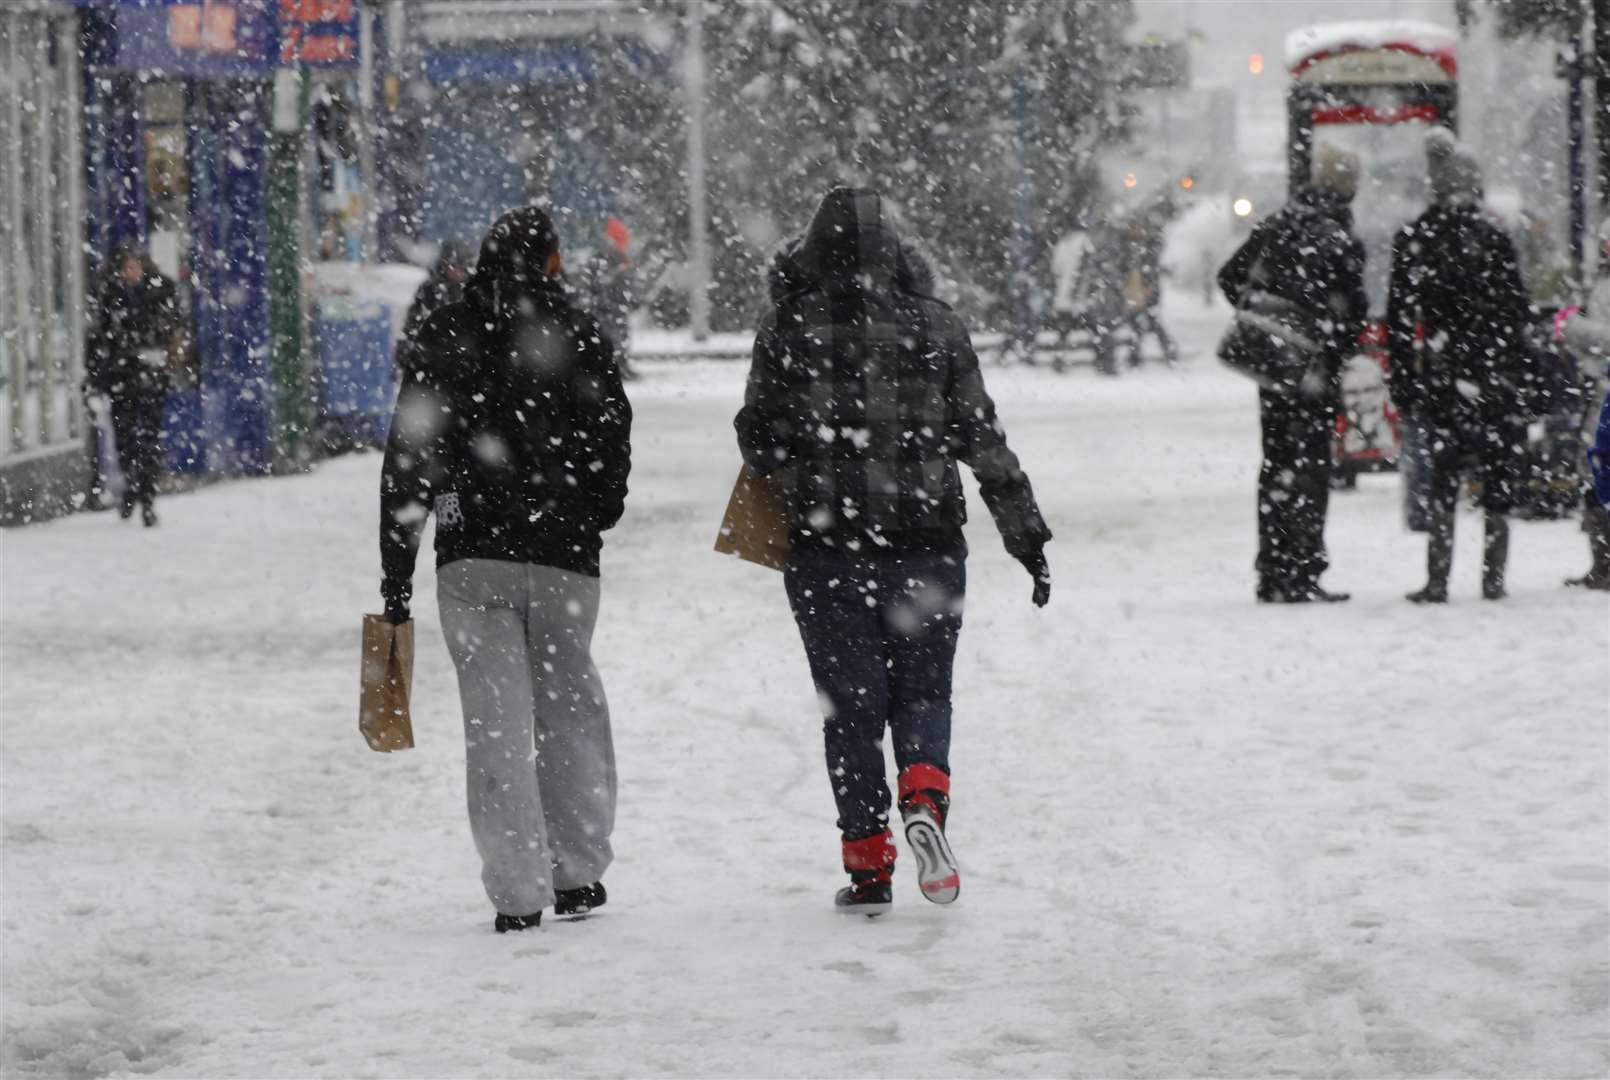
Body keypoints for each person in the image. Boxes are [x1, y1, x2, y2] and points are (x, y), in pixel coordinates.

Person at [736, 187, 1053, 916]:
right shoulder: (938, 327)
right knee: (924, 692)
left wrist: (799, 436)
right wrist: (1025, 535)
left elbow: (758, 439)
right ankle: (923, 795)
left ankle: (869, 862)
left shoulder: (789, 327)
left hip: (826, 550)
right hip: (928, 547)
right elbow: (983, 439)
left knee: (849, 712)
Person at [378, 205, 632, 933]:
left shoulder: (448, 334)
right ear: (553, 262)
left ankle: (517, 892)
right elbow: (612, 437)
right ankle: (578, 873)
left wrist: (397, 579)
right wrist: (589, 512)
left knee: (495, 724)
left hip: (471, 551)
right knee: (571, 711)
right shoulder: (579, 334)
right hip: (564, 560)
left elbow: (408, 460)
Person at [1218, 145, 1368, 603]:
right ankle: (1303, 571)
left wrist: (1266, 325)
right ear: (1348, 187)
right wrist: (1326, 346)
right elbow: (1351, 314)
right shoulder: (1339, 238)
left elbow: (1229, 276)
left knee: (1276, 465)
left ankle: (1272, 570)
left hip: (1272, 371)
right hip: (1313, 373)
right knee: (1311, 468)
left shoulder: (1277, 224)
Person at [1387, 145, 1532, 603]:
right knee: (1497, 479)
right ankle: (1493, 579)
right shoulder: (1495, 238)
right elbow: (1516, 312)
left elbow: (1399, 319)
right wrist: (1510, 368)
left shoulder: (1416, 237)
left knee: (1443, 479)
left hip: (1442, 374)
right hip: (1491, 375)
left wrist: (1406, 377)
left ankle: (1438, 578)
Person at [85, 239, 179, 527]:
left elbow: (173, 328)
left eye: (135, 266)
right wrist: (95, 373)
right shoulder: (109, 295)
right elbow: (97, 337)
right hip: (121, 378)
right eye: (126, 267)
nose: (131, 272)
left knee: (149, 438)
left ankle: (146, 497)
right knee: (125, 438)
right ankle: (132, 485)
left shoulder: (160, 291)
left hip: (150, 377)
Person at [1557, 221, 1610, 590]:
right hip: (1597, 388)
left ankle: (1603, 564)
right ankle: (1601, 562)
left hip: (1604, 390)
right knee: (1594, 473)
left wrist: (1574, 328)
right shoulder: (1599, 282)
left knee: (1599, 471)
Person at [395, 239, 472, 371]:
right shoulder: (430, 290)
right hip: (435, 363)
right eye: (454, 266)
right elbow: (413, 324)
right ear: (444, 264)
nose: (458, 271)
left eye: (462, 267)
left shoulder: (473, 290)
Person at [578, 217, 636, 380]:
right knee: (615, 337)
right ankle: (618, 368)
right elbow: (605, 282)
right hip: (611, 306)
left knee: (613, 337)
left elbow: (596, 282)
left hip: (609, 305)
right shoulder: (613, 254)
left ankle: (617, 367)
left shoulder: (606, 253)